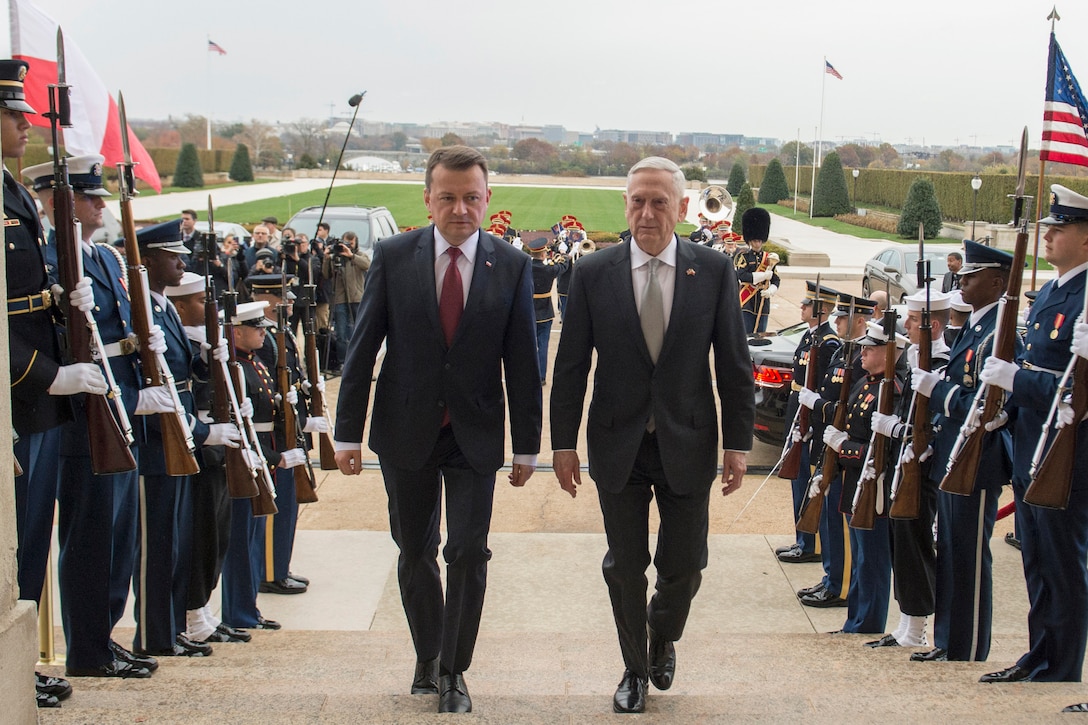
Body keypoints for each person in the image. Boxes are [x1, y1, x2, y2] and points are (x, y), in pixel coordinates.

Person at [333, 145, 542, 714]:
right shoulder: (395, 257)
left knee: (469, 552)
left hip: (473, 434)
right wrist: (346, 433)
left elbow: (523, 364)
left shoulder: (512, 265)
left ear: (487, 199)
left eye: (471, 198)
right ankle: (428, 651)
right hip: (405, 430)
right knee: (414, 549)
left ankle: (453, 669)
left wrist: (528, 445)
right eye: (447, 197)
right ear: (427, 200)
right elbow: (362, 350)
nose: (460, 209)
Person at [550, 156, 754, 714]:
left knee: (686, 564)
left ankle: (663, 633)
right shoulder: (592, 273)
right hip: (617, 442)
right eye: (637, 201)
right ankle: (634, 668)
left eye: (658, 202)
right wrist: (562, 444)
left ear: (681, 208)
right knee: (624, 564)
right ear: (626, 205)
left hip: (686, 440)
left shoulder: (713, 271)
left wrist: (737, 444)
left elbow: (734, 365)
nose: (646, 213)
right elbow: (570, 367)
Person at [31, 154, 172, 680]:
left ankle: (106, 636)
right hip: (85, 408)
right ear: (56, 201)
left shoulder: (108, 259)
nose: (100, 204)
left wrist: (144, 339)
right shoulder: (51, 255)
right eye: (90, 196)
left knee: (119, 535)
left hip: (116, 401)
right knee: (90, 537)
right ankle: (88, 648)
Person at [5, 58, 95, 708]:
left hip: (36, 401)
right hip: (19, 393)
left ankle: (21, 660)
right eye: (14, 115)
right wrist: (47, 373)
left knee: (33, 534)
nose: (25, 127)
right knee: (16, 536)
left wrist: (63, 297)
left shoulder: (12, 193)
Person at [978, 186, 1088, 693]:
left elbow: (1078, 389)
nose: (1048, 235)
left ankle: (1061, 663)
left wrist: (1015, 381)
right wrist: (1011, 400)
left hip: (1067, 449)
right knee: (1037, 556)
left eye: (1059, 229)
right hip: (1031, 442)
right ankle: (1040, 651)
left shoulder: (1085, 296)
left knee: (1062, 559)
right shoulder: (1052, 291)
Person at [909, 240, 1016, 665]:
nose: (963, 283)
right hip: (955, 454)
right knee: (951, 553)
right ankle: (949, 641)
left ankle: (968, 647)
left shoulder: (998, 333)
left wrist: (938, 390)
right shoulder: (976, 327)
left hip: (978, 459)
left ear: (997, 281)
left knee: (969, 558)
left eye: (972, 277)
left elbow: (990, 403)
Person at [132, 221, 234, 658]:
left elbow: (178, 372)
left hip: (176, 438)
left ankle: (170, 628)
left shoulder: (163, 309)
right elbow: (156, 383)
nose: (182, 262)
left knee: (173, 544)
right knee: (157, 548)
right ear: (149, 261)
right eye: (173, 256)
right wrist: (201, 431)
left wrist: (204, 357)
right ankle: (155, 634)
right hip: (158, 444)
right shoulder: (146, 309)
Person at [164, 272, 252, 646]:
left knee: (217, 533)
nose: (207, 308)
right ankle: (190, 613)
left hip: (217, 446)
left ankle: (202, 611)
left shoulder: (204, 342)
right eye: (200, 301)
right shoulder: (177, 340)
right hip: (198, 446)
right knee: (199, 536)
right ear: (180, 306)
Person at [865, 288, 951, 649]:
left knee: (915, 545)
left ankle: (918, 629)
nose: (907, 325)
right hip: (905, 466)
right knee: (901, 542)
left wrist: (895, 429)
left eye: (913, 320)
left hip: (924, 471)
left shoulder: (942, 364)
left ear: (931, 325)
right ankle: (907, 623)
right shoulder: (918, 360)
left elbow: (934, 426)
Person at [796, 293, 876, 609]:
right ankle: (832, 576)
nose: (836, 321)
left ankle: (840, 585)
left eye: (842, 317)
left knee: (839, 519)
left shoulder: (861, 358)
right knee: (828, 516)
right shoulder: (844, 351)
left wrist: (819, 406)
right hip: (828, 442)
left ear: (859, 320)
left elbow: (851, 408)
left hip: (844, 448)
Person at [247, 273, 321, 595]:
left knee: (288, 507)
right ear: (268, 300)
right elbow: (266, 389)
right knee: (277, 504)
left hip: (289, 427)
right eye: (284, 298)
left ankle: (280, 565)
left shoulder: (282, 331)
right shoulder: (260, 337)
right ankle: (269, 571)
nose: (290, 302)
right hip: (276, 433)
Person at [776, 281, 840, 565]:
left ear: (822, 310)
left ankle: (809, 542)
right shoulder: (810, 336)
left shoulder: (828, 343)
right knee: (797, 479)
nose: (801, 307)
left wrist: (812, 424)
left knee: (806, 480)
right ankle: (803, 539)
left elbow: (823, 389)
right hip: (797, 410)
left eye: (807, 304)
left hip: (809, 419)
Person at [321, 230, 370, 369]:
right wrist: (326, 258)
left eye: (351, 243)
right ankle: (343, 362)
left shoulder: (359, 255)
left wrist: (351, 256)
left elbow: (368, 265)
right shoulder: (335, 257)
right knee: (341, 332)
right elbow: (326, 275)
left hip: (357, 298)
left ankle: (360, 363)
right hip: (339, 299)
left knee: (359, 331)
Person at [526, 236, 570, 384]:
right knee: (543, 345)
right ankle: (541, 376)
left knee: (527, 345)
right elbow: (563, 266)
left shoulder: (525, 268)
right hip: (545, 311)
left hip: (528, 310)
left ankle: (528, 373)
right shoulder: (549, 269)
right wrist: (564, 253)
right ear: (544, 254)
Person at [734, 208, 779, 334]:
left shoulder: (769, 259)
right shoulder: (744, 257)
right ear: (749, 241)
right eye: (754, 240)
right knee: (746, 335)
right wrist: (763, 275)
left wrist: (771, 290)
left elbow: (776, 279)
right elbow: (742, 275)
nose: (757, 243)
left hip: (763, 302)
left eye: (759, 240)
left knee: (760, 335)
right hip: (747, 302)